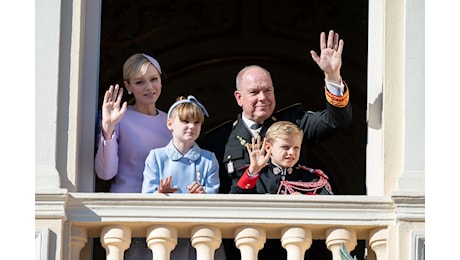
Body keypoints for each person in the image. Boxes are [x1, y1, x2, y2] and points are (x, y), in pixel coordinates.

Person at [201, 29, 351, 260]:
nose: (263, 97)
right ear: (239, 98)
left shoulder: (294, 123)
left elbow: (337, 120)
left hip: (295, 245)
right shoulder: (218, 141)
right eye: (254, 92)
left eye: (268, 90)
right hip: (244, 247)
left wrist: (332, 76)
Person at [94, 53, 172, 259]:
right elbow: (105, 173)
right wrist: (108, 128)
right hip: (128, 211)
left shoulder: (173, 121)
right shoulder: (118, 118)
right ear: (128, 86)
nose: (149, 87)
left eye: (154, 79)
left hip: (166, 213)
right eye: (140, 82)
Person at [142, 95, 225, 260]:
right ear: (170, 124)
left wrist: (203, 195)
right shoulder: (156, 157)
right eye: (185, 121)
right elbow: (146, 197)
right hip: (164, 232)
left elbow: (214, 200)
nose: (191, 127)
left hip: (198, 235)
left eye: (196, 123)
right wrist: (160, 193)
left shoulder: (209, 159)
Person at [229, 121, 333, 195]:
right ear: (269, 148)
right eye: (285, 147)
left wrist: (306, 202)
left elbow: (329, 209)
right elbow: (234, 204)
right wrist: (253, 172)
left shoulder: (313, 179)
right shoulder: (258, 177)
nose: (291, 152)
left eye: (296, 148)